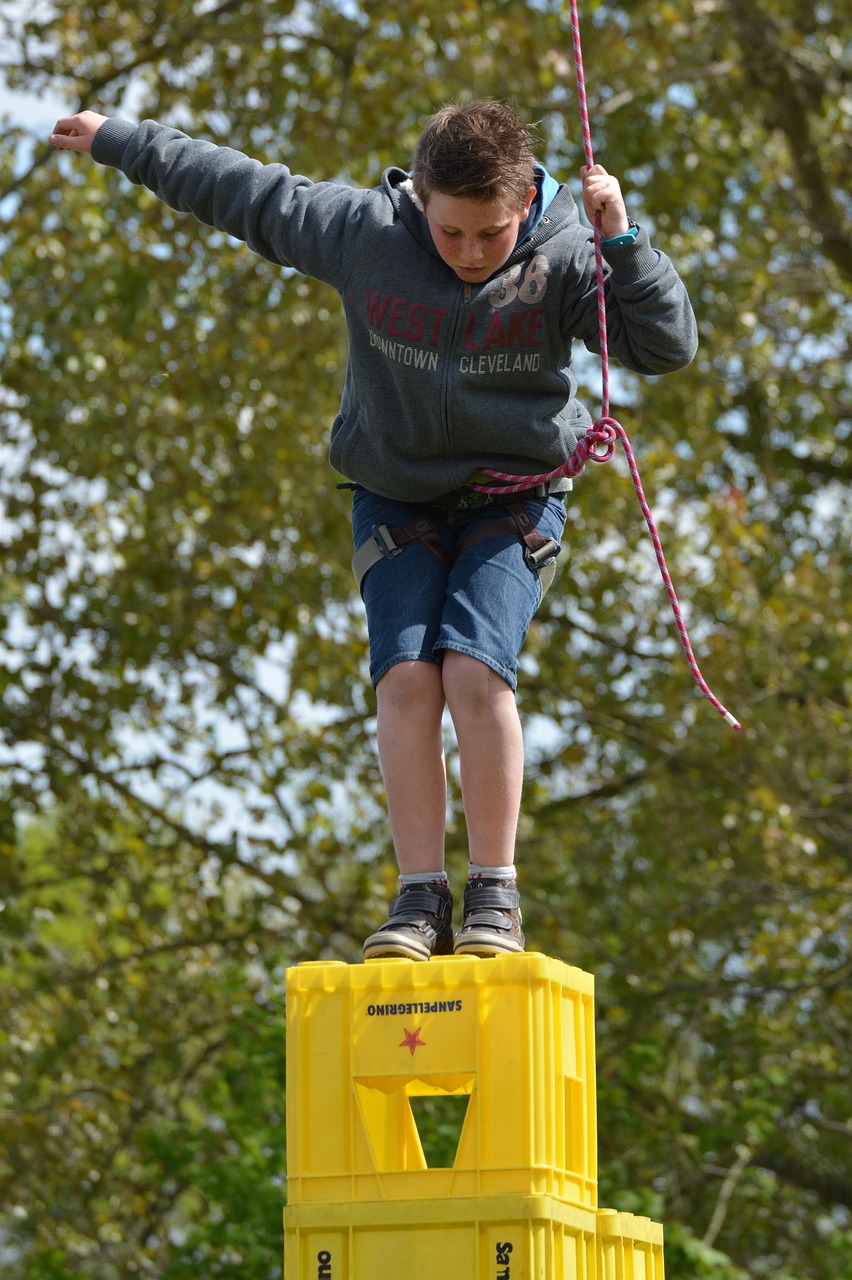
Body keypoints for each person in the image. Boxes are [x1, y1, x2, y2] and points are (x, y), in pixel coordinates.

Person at [50, 99, 697, 962]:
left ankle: (493, 894)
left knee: (473, 669)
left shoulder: (569, 260)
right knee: (405, 680)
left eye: (490, 235)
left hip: (514, 499)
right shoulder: (364, 235)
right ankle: (419, 896)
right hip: (396, 499)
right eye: (450, 232)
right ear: (419, 200)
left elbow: (665, 346)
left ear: (526, 207)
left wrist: (623, 243)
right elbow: (238, 189)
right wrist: (120, 140)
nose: (468, 254)